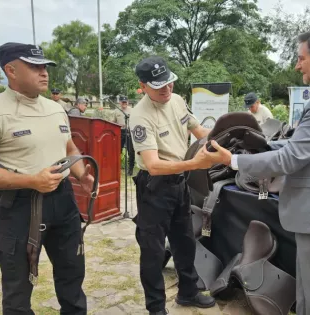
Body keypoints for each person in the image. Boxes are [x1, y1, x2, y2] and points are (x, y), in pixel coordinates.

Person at [200, 26, 310, 315]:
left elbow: (292, 159)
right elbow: (307, 147)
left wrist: (233, 161)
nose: (296, 64)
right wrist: (263, 146)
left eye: (302, 58)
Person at [0, 42, 94, 314]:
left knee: (72, 273)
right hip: (20, 204)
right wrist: (30, 181)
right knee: (18, 285)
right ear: (11, 70)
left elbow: (67, 147)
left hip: (62, 200)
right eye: (34, 67)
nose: (43, 72)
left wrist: (81, 175)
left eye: (44, 66)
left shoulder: (55, 109)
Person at [128, 56, 215, 315]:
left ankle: (188, 292)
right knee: (153, 251)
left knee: (185, 240)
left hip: (180, 182)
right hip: (154, 187)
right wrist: (194, 164)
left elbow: (199, 131)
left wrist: (225, 139)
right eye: (159, 86)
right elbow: (153, 164)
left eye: (170, 83)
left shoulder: (177, 101)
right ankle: (156, 308)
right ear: (142, 86)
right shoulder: (140, 117)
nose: (167, 90)